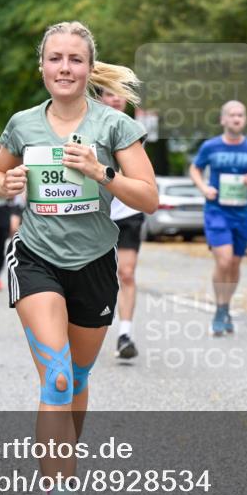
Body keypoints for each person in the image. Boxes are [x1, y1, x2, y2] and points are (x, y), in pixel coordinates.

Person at [0, 21, 158, 495]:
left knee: (78, 380)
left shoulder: (114, 125)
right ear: (41, 66)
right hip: (36, 257)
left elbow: (149, 197)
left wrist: (102, 171)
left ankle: (59, 464)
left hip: (95, 265)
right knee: (58, 378)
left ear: (89, 68)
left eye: (75, 60)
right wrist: (6, 183)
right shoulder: (21, 124)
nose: (65, 68)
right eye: (55, 59)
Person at [188, 100, 247, 336]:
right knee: (223, 261)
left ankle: (225, 306)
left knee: (234, 263)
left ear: (245, 120)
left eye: (241, 115)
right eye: (232, 115)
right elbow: (195, 169)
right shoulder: (211, 147)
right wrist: (204, 188)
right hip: (217, 211)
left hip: (242, 212)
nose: (236, 119)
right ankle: (218, 309)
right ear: (223, 119)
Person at [99, 89, 145, 359]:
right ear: (99, 97)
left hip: (127, 211)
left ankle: (125, 334)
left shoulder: (135, 130)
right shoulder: (87, 126)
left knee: (126, 273)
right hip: (96, 213)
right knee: (95, 275)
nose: (116, 98)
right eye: (109, 93)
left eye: (121, 94)